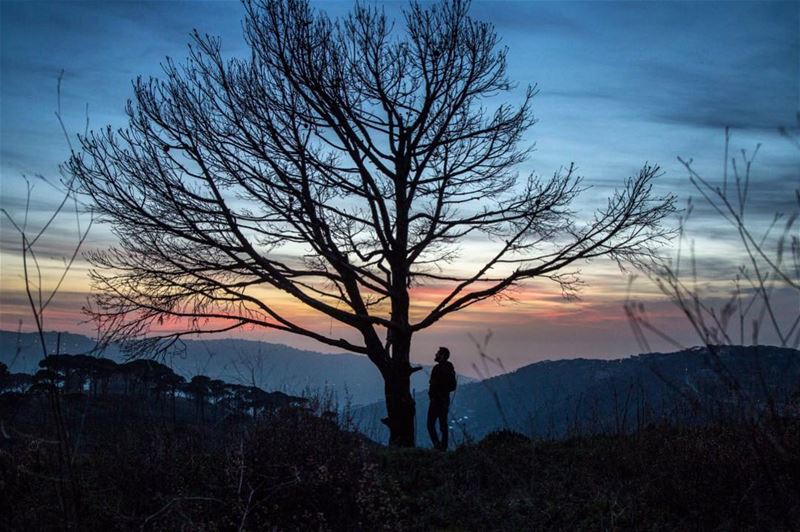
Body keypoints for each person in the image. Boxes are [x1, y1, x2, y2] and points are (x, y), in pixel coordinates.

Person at [427, 346, 457, 451]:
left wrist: (434, 393)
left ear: (442, 356)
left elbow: (433, 385)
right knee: (442, 424)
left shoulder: (437, 368)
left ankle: (438, 446)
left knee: (430, 424)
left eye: (438, 353)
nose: (436, 355)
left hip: (436, 400)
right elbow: (453, 386)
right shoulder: (450, 367)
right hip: (444, 400)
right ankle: (443, 447)